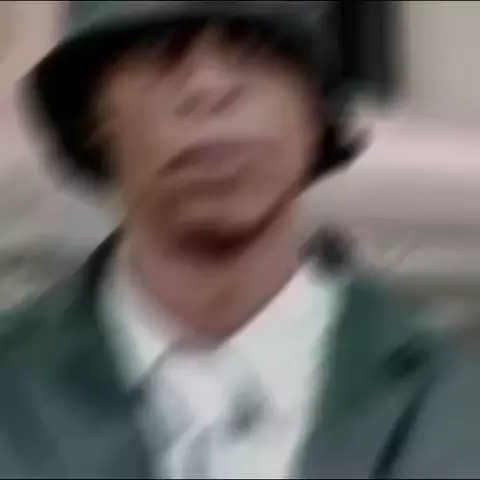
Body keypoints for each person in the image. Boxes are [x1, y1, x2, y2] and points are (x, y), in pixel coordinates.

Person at [2, 1, 480, 478]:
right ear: (92, 117)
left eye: (256, 48)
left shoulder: (446, 396)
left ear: (315, 111)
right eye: (158, 52)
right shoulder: (16, 387)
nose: (210, 88)